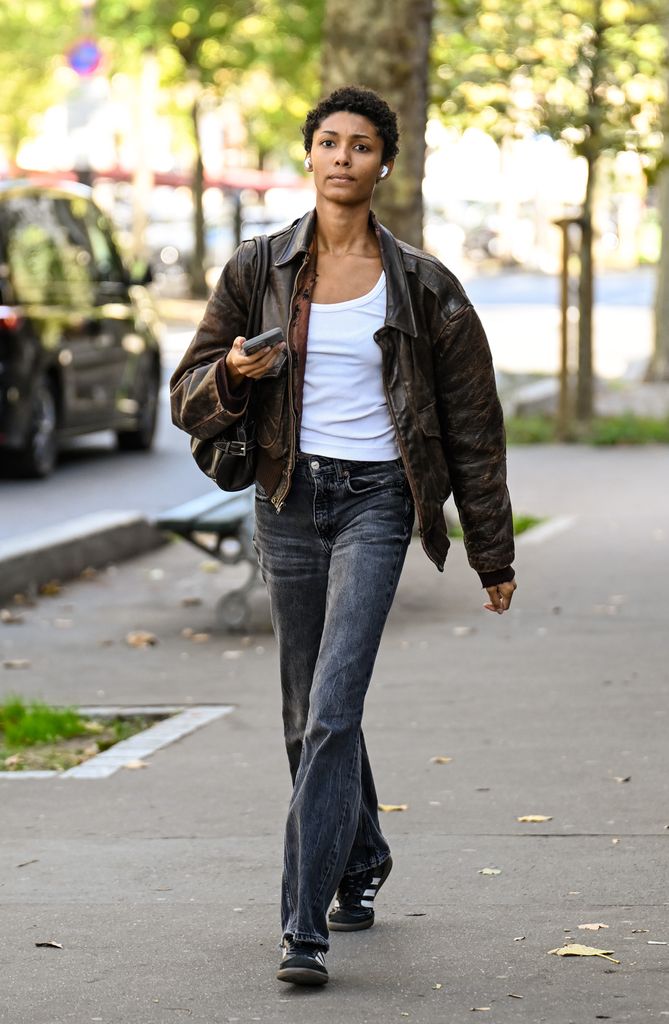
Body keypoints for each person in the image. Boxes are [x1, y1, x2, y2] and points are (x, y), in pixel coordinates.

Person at [170, 85, 517, 987]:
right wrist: (235, 374)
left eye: (360, 145)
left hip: (378, 504)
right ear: (310, 155)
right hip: (288, 500)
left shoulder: (427, 284)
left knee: (332, 708)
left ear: (383, 165)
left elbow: (474, 427)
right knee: (304, 715)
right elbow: (188, 389)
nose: (341, 158)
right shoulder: (258, 268)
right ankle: (359, 859)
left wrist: (491, 551)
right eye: (327, 142)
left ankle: (302, 927)